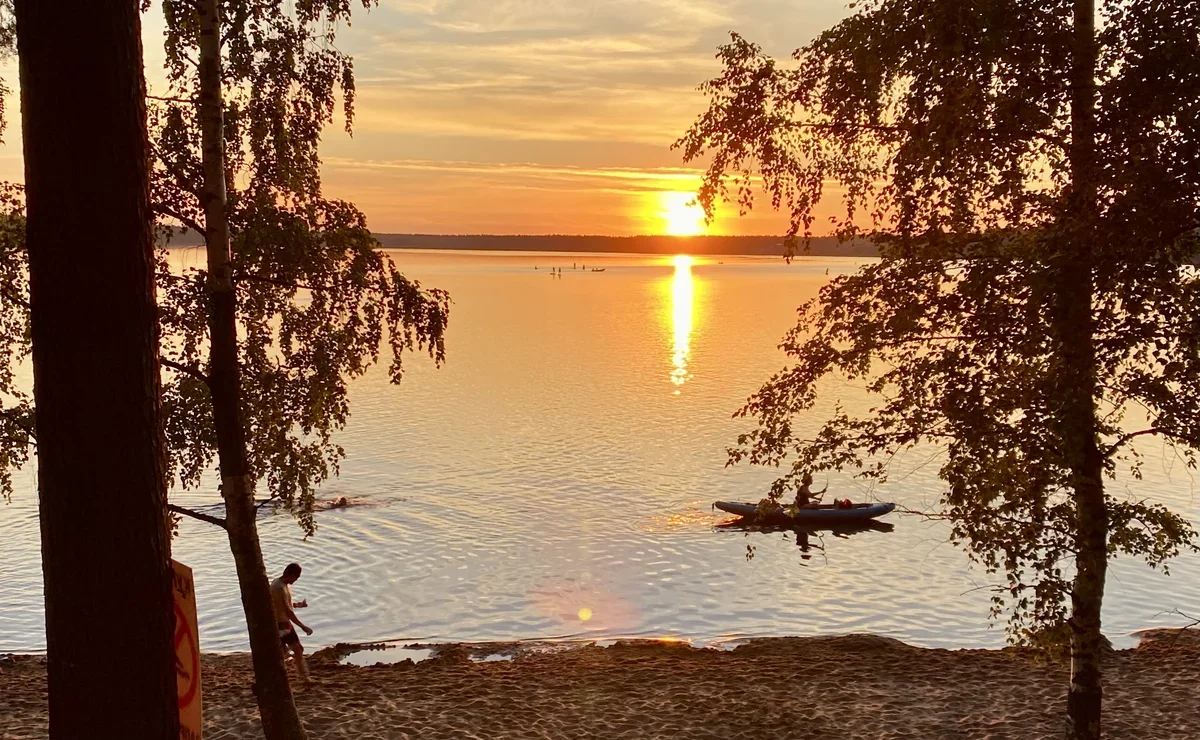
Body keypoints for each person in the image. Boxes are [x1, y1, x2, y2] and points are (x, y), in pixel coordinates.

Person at [271, 562, 313, 683]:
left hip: (286, 623)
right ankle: (301, 677)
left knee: (298, 649)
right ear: (291, 574)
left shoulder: (284, 585)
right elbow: (288, 611)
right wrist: (303, 627)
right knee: (286, 652)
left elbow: (286, 604)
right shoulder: (278, 588)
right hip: (280, 625)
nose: (296, 580)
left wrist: (299, 605)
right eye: (296, 577)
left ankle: (304, 677)